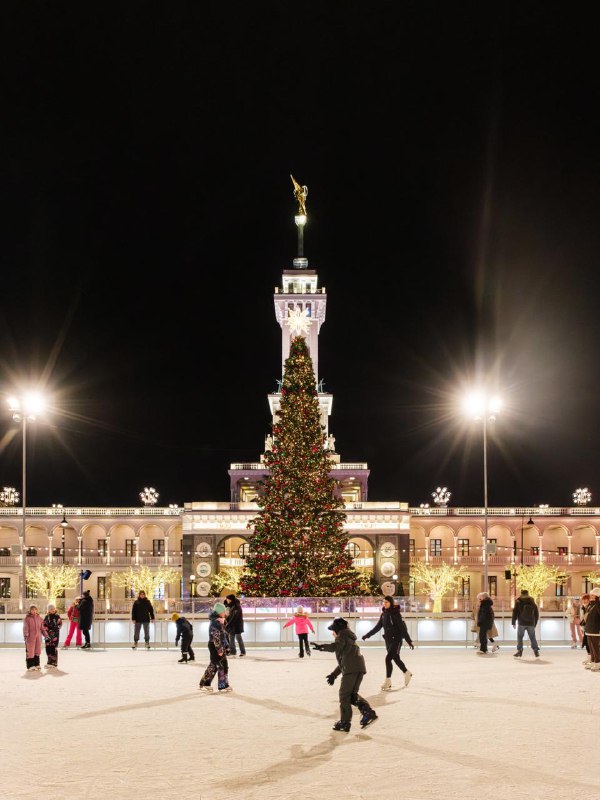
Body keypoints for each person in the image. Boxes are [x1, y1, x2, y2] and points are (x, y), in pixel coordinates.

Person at [312, 617, 377, 732]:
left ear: (338, 629)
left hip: (351, 670)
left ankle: (345, 722)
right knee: (351, 695)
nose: (332, 633)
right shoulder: (348, 637)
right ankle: (367, 712)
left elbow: (335, 647)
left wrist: (321, 647)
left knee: (344, 695)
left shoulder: (342, 636)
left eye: (333, 631)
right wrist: (333, 675)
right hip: (358, 668)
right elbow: (344, 661)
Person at [362, 595, 414, 688]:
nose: (384, 604)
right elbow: (377, 627)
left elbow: (402, 629)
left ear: (391, 603)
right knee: (395, 658)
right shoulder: (384, 614)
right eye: (383, 602)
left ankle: (388, 681)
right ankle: (407, 673)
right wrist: (367, 635)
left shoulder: (396, 614)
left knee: (388, 658)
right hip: (388, 641)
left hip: (396, 640)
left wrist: (409, 641)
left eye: (386, 602)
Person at [199, 602, 232, 693]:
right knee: (216, 666)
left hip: (220, 646)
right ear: (219, 612)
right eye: (223, 611)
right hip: (215, 647)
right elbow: (216, 638)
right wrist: (220, 649)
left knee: (223, 665)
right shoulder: (215, 623)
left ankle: (218, 684)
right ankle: (209, 683)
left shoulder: (221, 621)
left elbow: (224, 635)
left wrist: (227, 646)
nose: (225, 613)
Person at [512, 589, 540, 658]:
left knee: (520, 636)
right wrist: (535, 623)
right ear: (528, 593)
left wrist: (513, 622)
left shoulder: (518, 601)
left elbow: (515, 612)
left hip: (521, 622)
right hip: (531, 623)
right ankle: (536, 650)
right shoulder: (532, 601)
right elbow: (536, 613)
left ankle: (519, 650)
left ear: (521, 593)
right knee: (532, 637)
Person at [583, 587, 600, 671]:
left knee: (596, 648)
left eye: (593, 594)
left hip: (596, 630)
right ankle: (593, 662)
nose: (591, 596)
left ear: (597, 595)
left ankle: (598, 663)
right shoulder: (591, 605)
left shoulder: (598, 605)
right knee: (591, 647)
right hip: (589, 629)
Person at [23, 604, 44, 671]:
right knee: (30, 651)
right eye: (32, 609)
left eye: (35, 609)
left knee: (37, 650)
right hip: (30, 637)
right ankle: (30, 665)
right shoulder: (27, 618)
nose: (34, 611)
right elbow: (25, 627)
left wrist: (46, 635)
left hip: (38, 637)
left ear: (37, 610)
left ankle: (37, 664)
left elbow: (42, 628)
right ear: (30, 610)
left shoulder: (40, 618)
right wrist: (26, 635)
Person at [580, 593, 591, 663]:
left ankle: (592, 659)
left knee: (589, 643)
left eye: (586, 600)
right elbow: (582, 618)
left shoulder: (589, 607)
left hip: (590, 628)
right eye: (584, 600)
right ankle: (589, 658)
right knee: (586, 643)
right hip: (585, 627)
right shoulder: (582, 607)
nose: (585, 601)